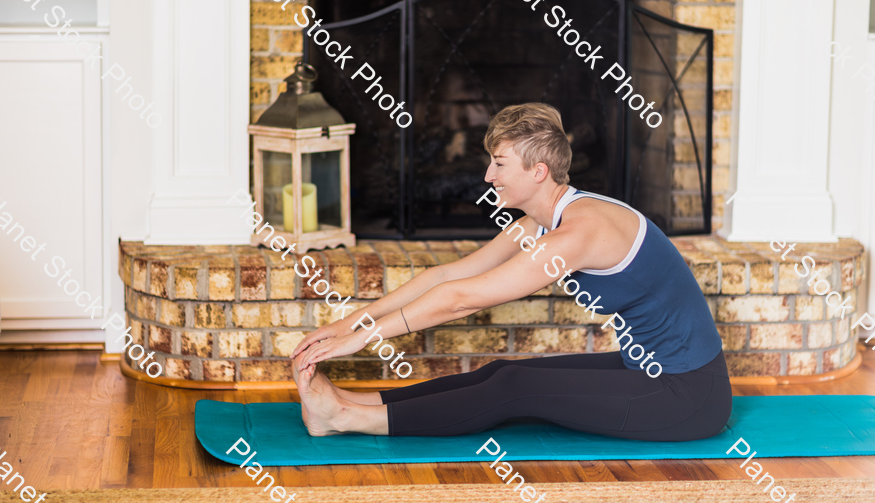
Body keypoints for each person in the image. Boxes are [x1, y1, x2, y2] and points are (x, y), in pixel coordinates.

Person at [290, 102, 731, 440]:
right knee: (500, 372)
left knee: (515, 388)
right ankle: (347, 401)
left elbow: (461, 299)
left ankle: (346, 418)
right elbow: (448, 277)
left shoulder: (577, 234)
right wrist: (346, 323)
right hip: (646, 368)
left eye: (499, 163)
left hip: (689, 395)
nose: (487, 175)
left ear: (538, 171)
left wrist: (359, 341)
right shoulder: (546, 217)